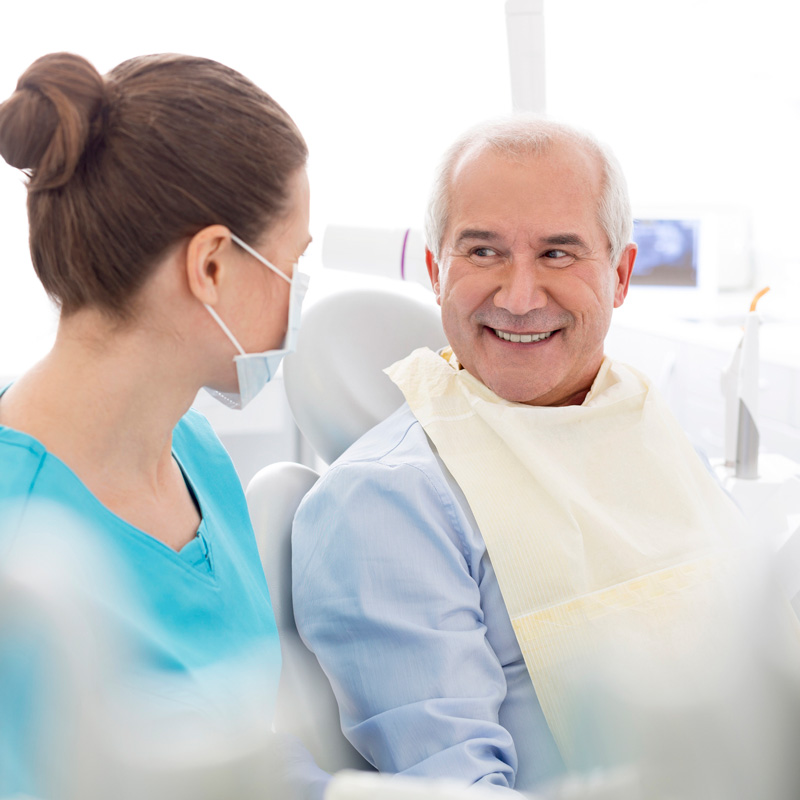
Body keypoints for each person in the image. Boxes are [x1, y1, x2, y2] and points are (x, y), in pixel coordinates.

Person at [291, 116, 749, 794]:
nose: (520, 297)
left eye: (558, 254)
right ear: (433, 271)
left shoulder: (639, 420)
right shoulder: (391, 500)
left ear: (621, 275)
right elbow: (462, 785)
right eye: (483, 253)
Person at [0, 52, 327, 798]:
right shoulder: (17, 546)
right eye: (291, 264)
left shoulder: (196, 456)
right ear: (212, 265)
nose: (297, 300)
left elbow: (242, 746)